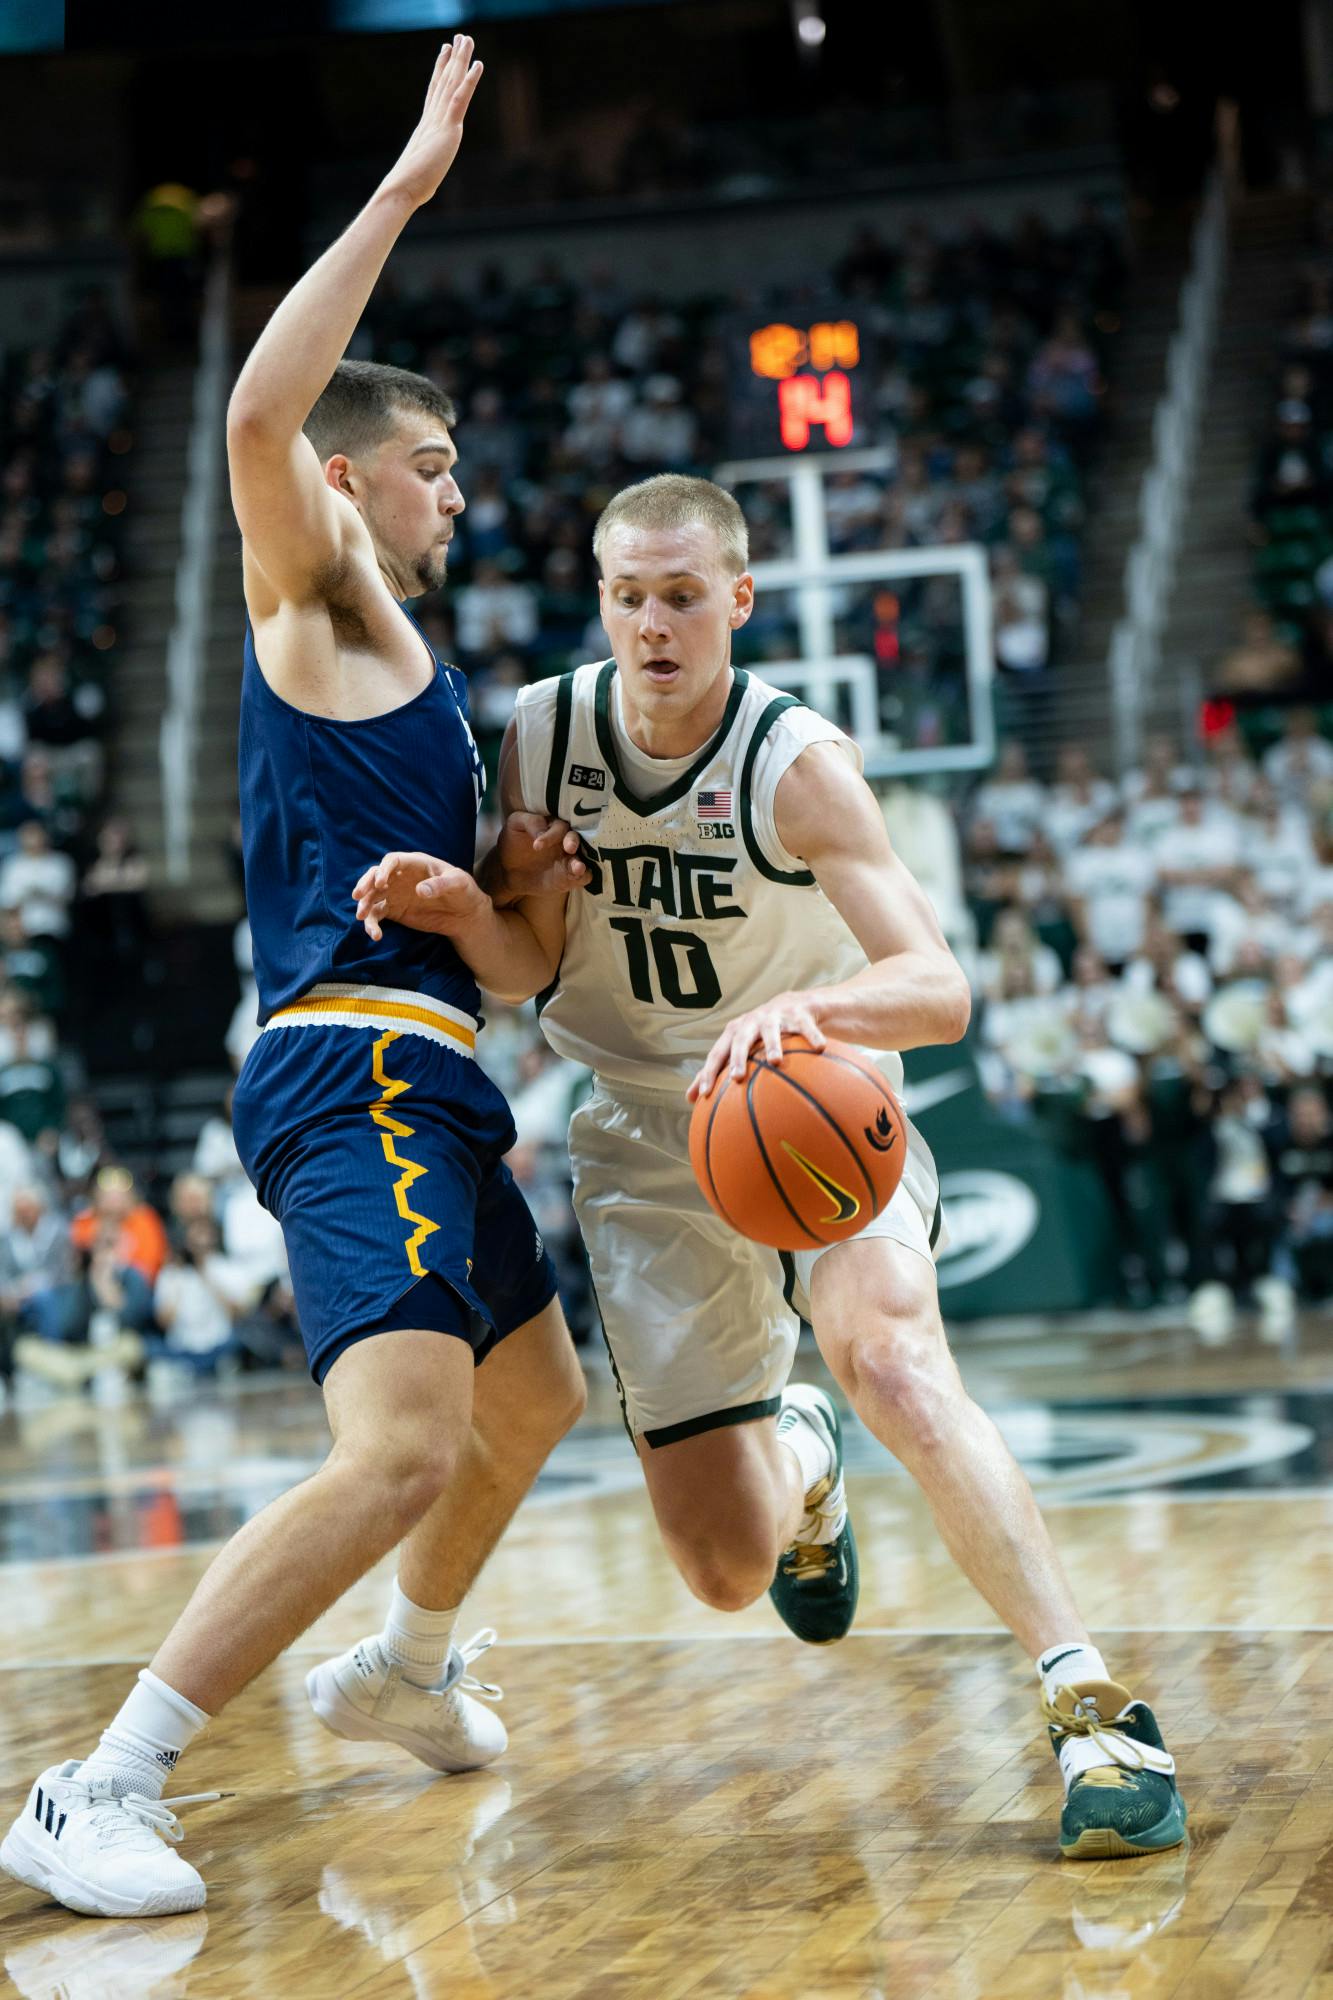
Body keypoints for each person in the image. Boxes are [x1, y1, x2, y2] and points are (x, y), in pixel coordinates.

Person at [355, 472, 1187, 1864]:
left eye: (683, 596)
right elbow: (526, 968)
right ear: (602, 600)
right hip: (639, 1134)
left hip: (811, 1101)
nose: (654, 624)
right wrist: (470, 904)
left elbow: (937, 987)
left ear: (738, 600)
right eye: (629, 596)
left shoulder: (793, 761)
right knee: (725, 1572)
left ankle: (1091, 1709)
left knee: (896, 1362)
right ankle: (804, 1465)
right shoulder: (544, 733)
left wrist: (815, 1014)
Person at [1, 41, 587, 1922]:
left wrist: (513, 904)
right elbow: (260, 416)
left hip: (438, 1060)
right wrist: (411, 180)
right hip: (351, 1071)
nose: (455, 491)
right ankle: (102, 1781)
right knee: (404, 1444)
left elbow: (511, 973)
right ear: (350, 485)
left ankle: (403, 1675)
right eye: (428, 466)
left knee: (534, 1404)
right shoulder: (315, 588)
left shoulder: (433, 691)